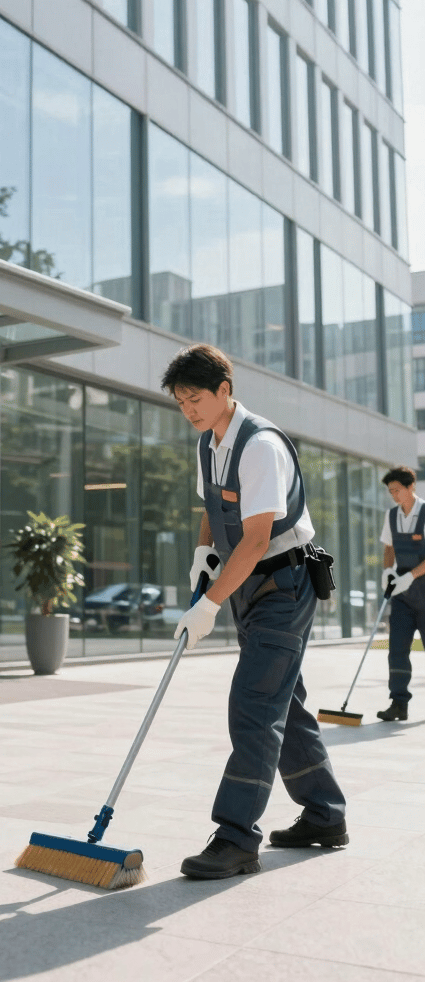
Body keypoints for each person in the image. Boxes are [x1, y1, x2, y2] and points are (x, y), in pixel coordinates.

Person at [161, 343, 347, 879]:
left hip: (284, 584)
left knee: (253, 704)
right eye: (180, 401)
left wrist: (210, 602)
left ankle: (236, 836)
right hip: (251, 583)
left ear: (225, 389)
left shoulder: (259, 445)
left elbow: (258, 535)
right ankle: (324, 814)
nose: (189, 409)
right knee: (283, 703)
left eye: (195, 397)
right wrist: (203, 557)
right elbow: (211, 510)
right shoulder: (209, 443)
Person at [377, 465, 425, 722]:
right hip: (403, 596)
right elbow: (389, 548)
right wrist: (388, 572)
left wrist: (410, 576)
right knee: (397, 648)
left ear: (411, 487)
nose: (394, 496)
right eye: (391, 491)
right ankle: (398, 703)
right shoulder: (392, 515)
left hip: (423, 588)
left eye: (397, 490)